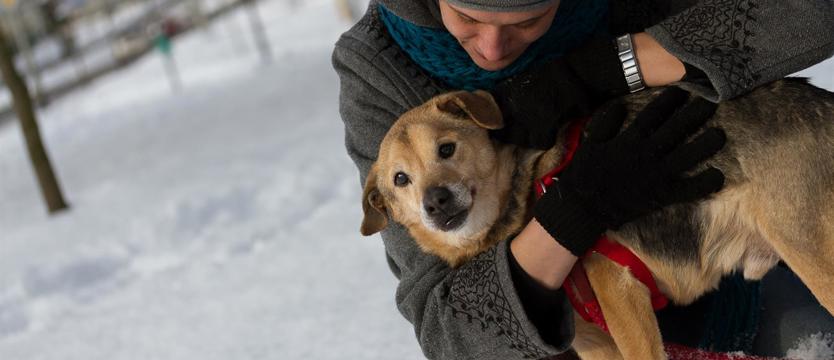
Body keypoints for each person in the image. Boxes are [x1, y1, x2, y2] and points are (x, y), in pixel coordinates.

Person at [332, 0, 834, 358]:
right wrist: (571, 218)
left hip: (737, 239)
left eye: (527, 20)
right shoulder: (378, 69)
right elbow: (448, 332)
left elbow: (808, 12)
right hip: (572, 338)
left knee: (811, 338)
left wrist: (608, 67)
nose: (492, 47)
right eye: (467, 17)